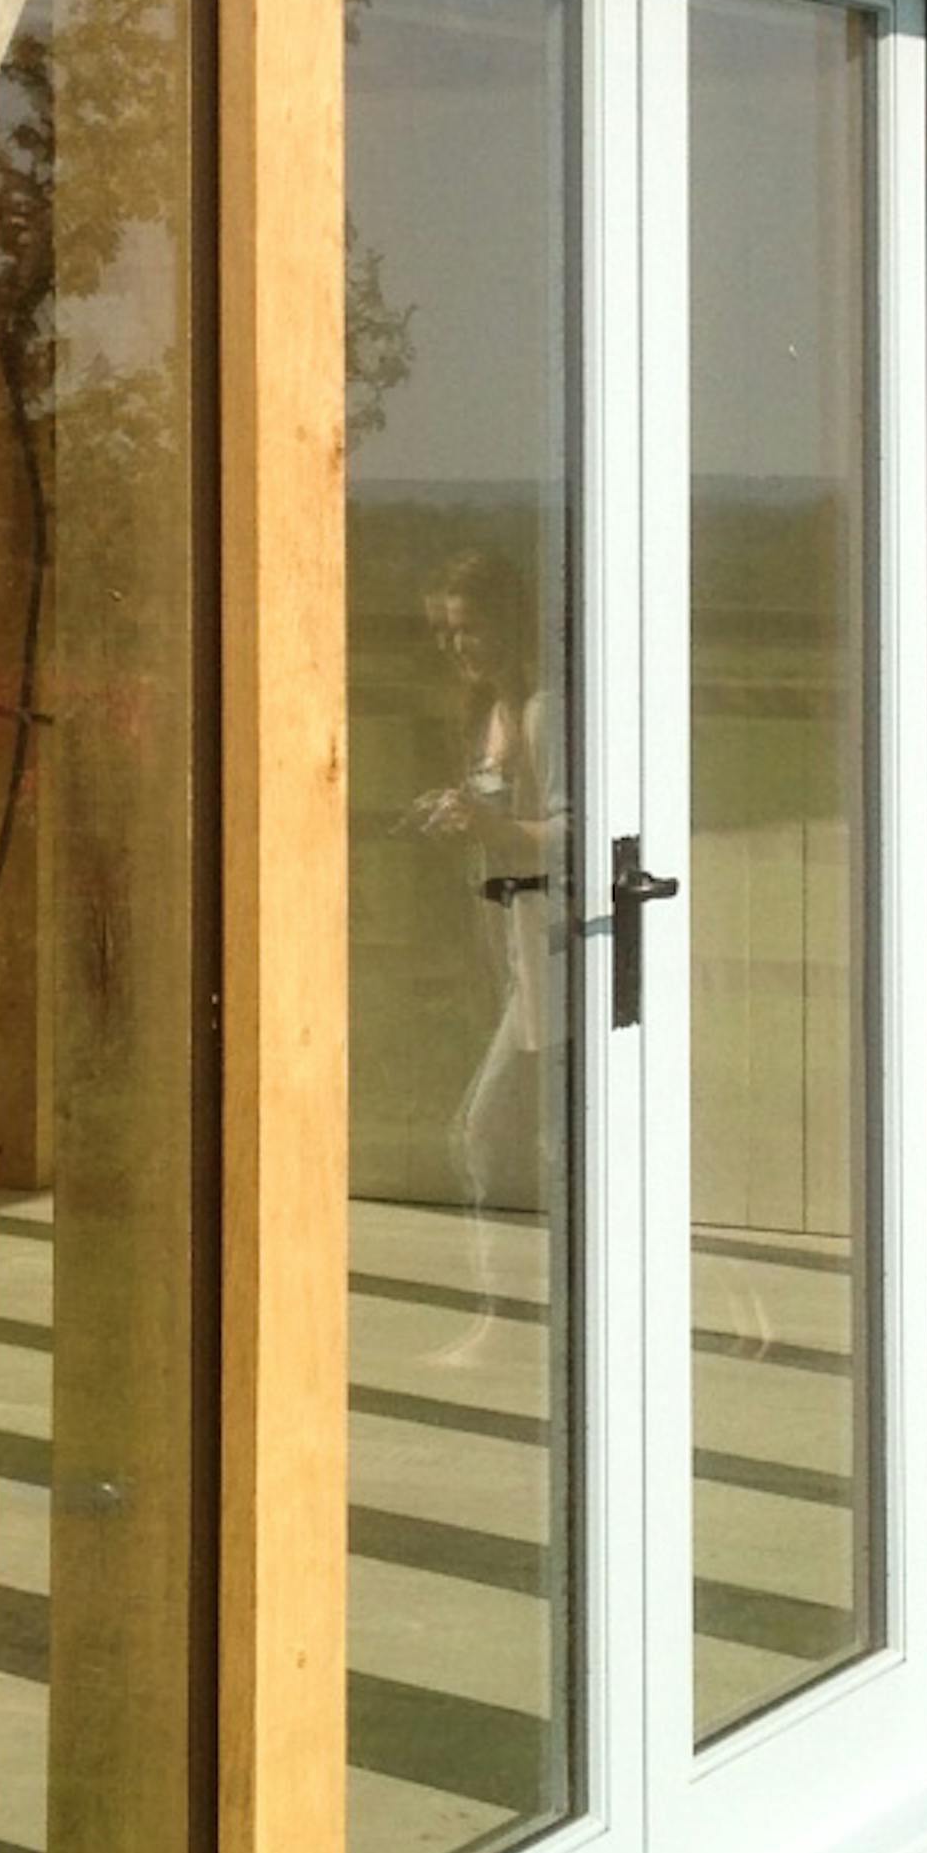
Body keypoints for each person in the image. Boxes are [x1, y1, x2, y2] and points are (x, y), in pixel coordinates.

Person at [402, 549, 563, 1343]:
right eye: (444, 635)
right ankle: (533, 1310)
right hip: (504, 948)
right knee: (538, 1136)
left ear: (507, 622)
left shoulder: (542, 713)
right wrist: (460, 815)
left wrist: (488, 825)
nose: (456, 649)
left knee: (487, 1128)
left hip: (558, 953)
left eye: (467, 630)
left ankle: (504, 1315)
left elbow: (578, 837)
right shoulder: (484, 717)